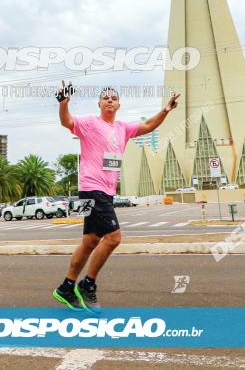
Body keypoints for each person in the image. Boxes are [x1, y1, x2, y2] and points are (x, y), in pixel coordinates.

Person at [51, 82, 180, 313]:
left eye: (113, 98)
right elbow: (66, 121)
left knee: (90, 241)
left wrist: (166, 110)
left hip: (106, 193)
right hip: (91, 188)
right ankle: (87, 285)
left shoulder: (123, 128)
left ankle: (66, 288)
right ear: (99, 104)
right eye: (105, 97)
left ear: (119, 104)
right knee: (114, 237)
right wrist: (63, 103)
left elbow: (149, 125)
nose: (109, 100)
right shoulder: (90, 123)